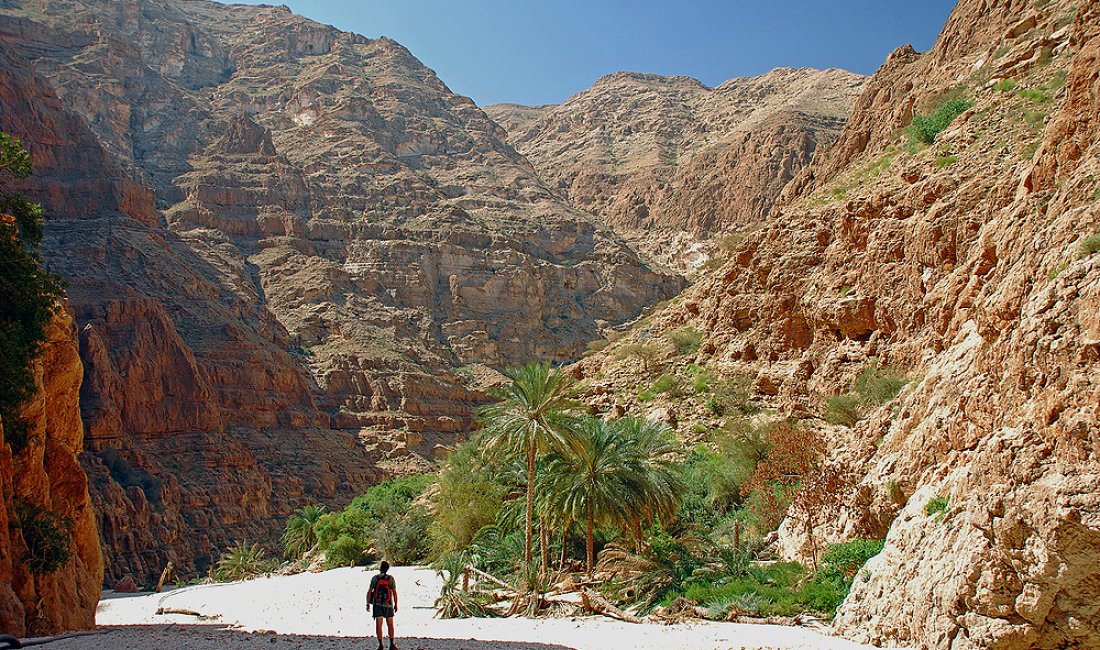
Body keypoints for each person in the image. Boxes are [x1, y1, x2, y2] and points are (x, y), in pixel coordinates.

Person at [367, 560, 398, 650]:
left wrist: (368, 603)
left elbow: (369, 591)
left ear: (380, 568)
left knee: (379, 625)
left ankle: (381, 645)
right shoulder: (390, 579)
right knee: (390, 625)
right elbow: (394, 592)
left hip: (377, 604)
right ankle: (392, 644)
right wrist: (396, 604)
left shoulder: (375, 578)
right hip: (388, 604)